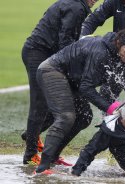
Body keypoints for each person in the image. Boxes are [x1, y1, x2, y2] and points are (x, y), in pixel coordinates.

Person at [34, 29, 125, 174]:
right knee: (66, 117)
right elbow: (86, 88)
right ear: (118, 43)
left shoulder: (116, 52)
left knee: (84, 116)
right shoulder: (101, 53)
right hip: (52, 71)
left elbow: (119, 81)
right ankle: (42, 167)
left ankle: (52, 156)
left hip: (71, 80)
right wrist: (111, 108)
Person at [21, 0, 95, 165]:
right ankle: (30, 154)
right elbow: (65, 42)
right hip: (38, 53)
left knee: (78, 111)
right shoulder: (76, 8)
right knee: (39, 104)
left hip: (50, 54)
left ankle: (36, 138)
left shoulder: (77, 5)